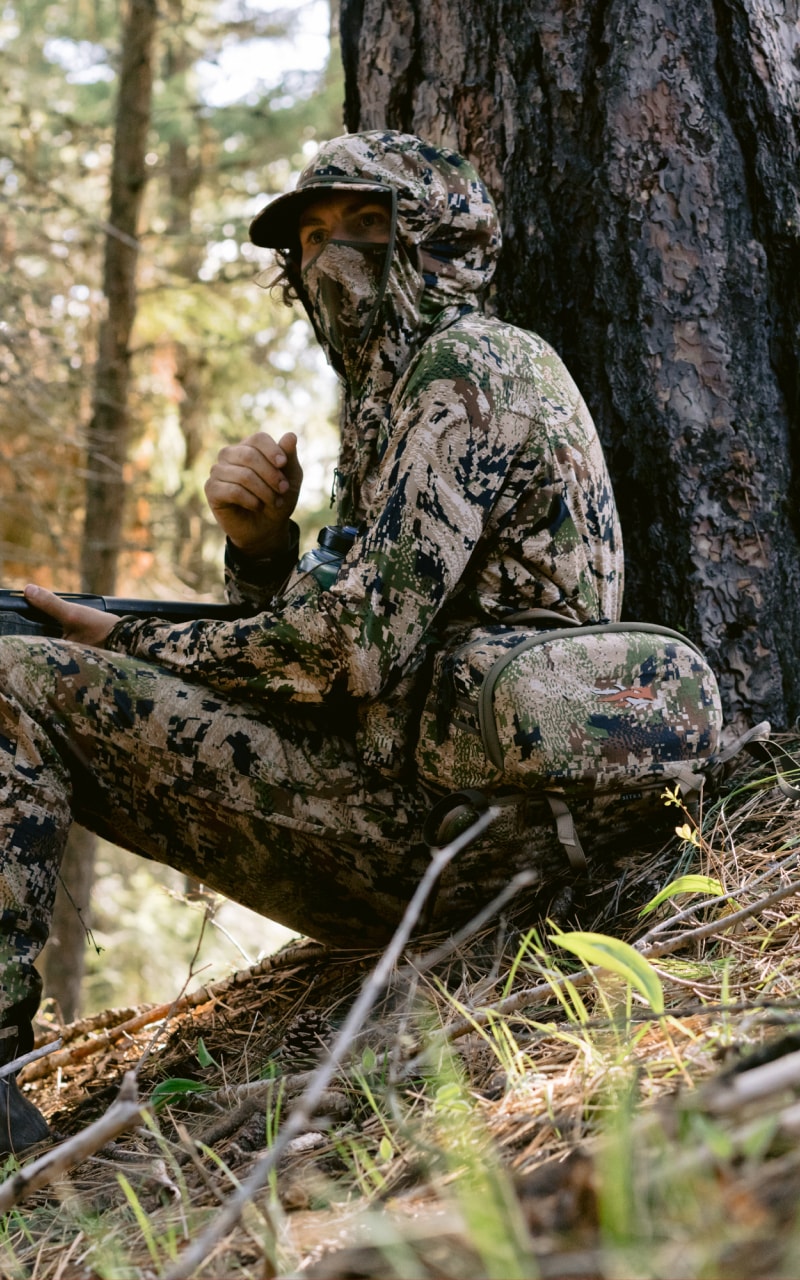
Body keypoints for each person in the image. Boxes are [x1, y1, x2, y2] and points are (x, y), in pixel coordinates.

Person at [0, 130, 623, 1152]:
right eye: (311, 237)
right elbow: (329, 660)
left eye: (365, 226)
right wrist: (260, 550)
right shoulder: (394, 399)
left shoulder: (473, 366)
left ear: (438, 237)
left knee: (12, 675)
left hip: (444, 846)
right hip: (412, 821)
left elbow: (350, 655)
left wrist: (128, 637)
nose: (329, 259)